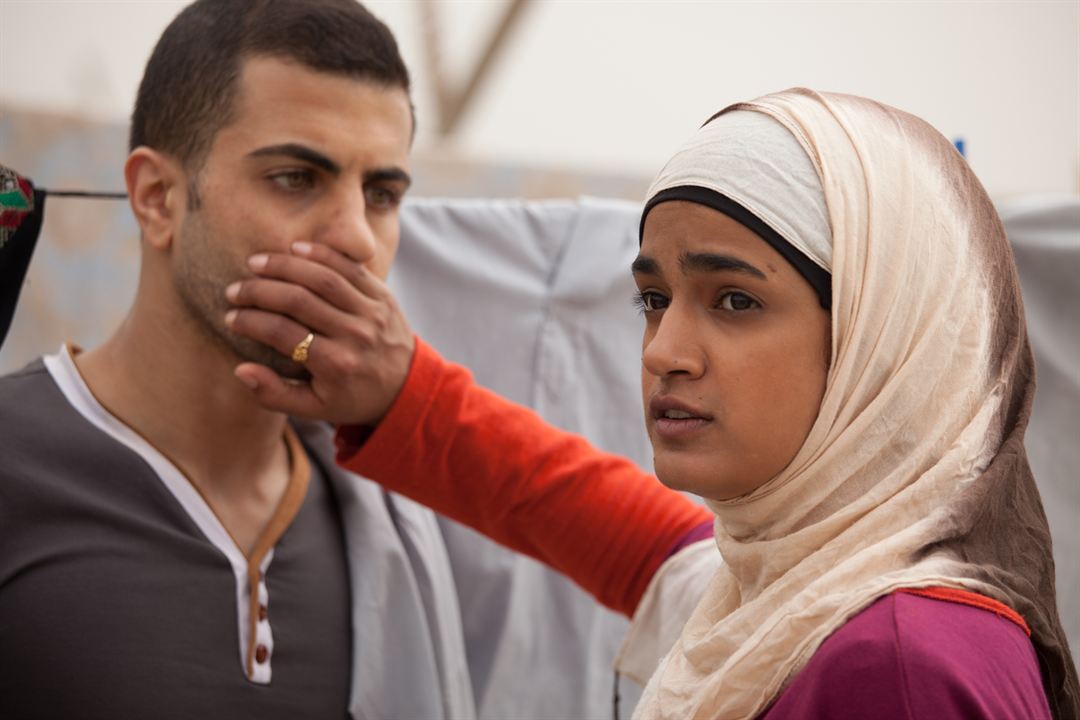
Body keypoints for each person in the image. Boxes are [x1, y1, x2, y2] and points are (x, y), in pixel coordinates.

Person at [228, 89, 1079, 718]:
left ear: (879, 341)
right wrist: (398, 391)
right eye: (653, 298)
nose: (664, 350)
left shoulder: (897, 664)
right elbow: (594, 516)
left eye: (734, 300)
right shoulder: (786, 585)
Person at [0, 1, 711, 718]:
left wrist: (409, 401)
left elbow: (681, 559)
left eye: (381, 194)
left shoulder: (390, 516)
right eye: (295, 178)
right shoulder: (16, 461)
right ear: (157, 198)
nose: (356, 240)